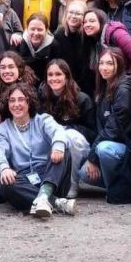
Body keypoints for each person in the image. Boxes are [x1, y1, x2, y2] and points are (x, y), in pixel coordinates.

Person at [0, 83, 76, 217]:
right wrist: (3, 167)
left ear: (29, 102)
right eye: (12, 100)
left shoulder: (42, 120)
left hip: (51, 176)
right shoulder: (4, 128)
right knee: (5, 183)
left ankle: (44, 196)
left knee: (63, 150)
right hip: (25, 183)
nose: (16, 104)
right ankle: (57, 203)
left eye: (21, 99)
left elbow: (58, 131)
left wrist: (58, 146)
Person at [80, 48, 131, 190]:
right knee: (84, 174)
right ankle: (118, 185)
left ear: (120, 64)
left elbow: (113, 129)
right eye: (101, 63)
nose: (104, 68)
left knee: (104, 149)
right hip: (112, 143)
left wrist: (92, 157)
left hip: (127, 147)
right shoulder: (105, 87)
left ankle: (117, 190)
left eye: (110, 63)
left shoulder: (123, 90)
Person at [38, 59, 95, 198]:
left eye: (58, 74)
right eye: (50, 75)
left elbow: (92, 132)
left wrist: (65, 129)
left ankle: (71, 184)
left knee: (68, 135)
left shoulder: (82, 99)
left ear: (67, 77)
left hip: (79, 147)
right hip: (52, 144)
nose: (54, 78)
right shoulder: (42, 97)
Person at [82, 9, 131, 83]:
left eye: (92, 21)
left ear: (101, 21)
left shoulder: (117, 33)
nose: (87, 25)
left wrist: (128, 80)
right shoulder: (93, 41)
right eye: (85, 22)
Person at [16, 13, 55, 80]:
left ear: (46, 30)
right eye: (32, 29)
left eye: (40, 29)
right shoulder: (18, 43)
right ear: (27, 29)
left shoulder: (54, 46)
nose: (36, 33)